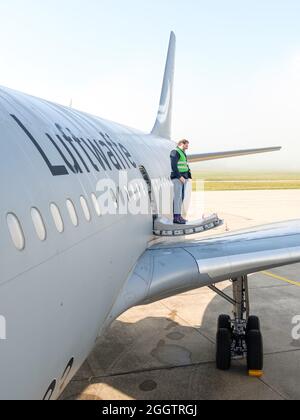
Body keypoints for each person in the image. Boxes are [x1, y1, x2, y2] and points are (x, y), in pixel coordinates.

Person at [170, 139, 192, 224]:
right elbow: (174, 166)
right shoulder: (175, 152)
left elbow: (184, 164)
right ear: (181, 144)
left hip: (184, 177)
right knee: (177, 198)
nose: (187, 147)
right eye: (186, 145)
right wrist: (180, 177)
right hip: (178, 178)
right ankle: (176, 218)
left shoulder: (182, 152)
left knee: (181, 197)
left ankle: (179, 216)